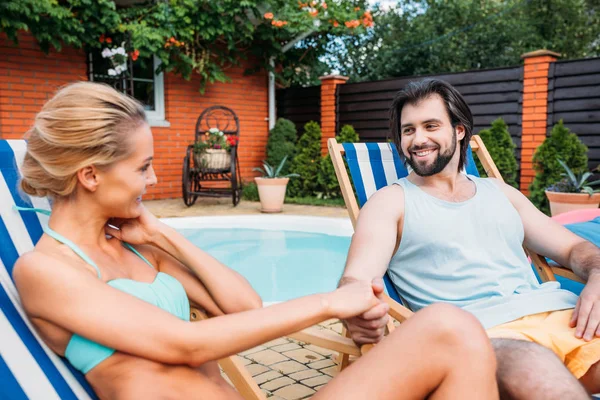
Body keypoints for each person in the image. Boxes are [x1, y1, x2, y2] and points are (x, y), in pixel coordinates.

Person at [13, 81, 498, 400]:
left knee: (451, 328)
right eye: (142, 168)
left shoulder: (138, 244)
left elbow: (245, 306)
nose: (153, 178)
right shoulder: (46, 271)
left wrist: (164, 236)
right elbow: (185, 345)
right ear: (91, 175)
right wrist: (331, 302)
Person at [338, 78, 600, 399]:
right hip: (485, 336)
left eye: (430, 126)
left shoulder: (502, 193)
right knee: (547, 381)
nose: (418, 139)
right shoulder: (389, 203)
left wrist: (598, 277)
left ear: (459, 131)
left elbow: (574, 248)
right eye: (408, 130)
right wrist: (355, 308)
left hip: (567, 317)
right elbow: (358, 278)